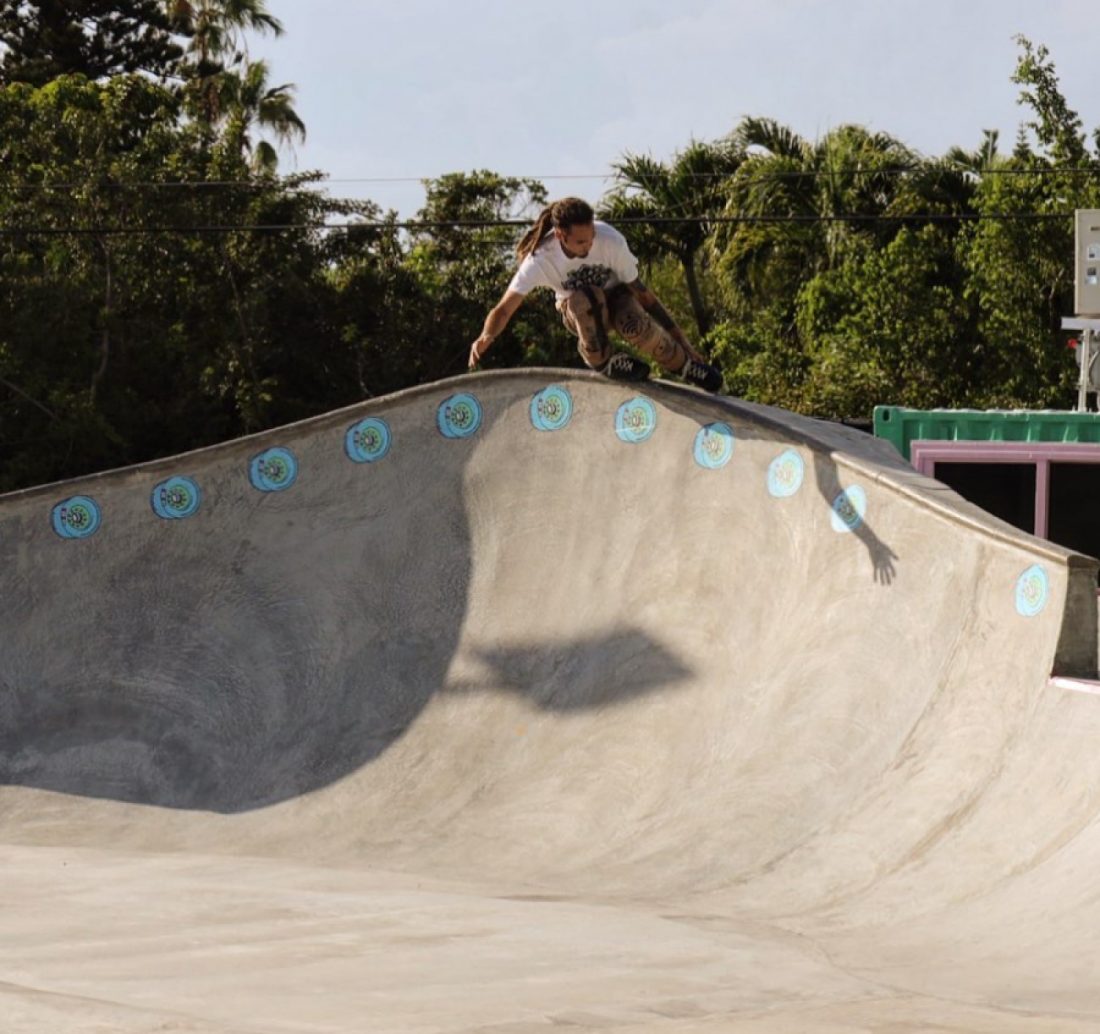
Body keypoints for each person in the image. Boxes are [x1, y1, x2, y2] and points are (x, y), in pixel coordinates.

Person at [467, 197, 723, 392]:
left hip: (618, 301)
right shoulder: (540, 259)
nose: (588, 246)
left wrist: (683, 342)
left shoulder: (610, 241)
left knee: (634, 323)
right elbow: (504, 308)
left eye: (591, 238)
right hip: (580, 314)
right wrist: (486, 335)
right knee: (586, 296)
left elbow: (644, 296)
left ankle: (684, 366)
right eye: (581, 242)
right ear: (560, 235)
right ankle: (602, 361)